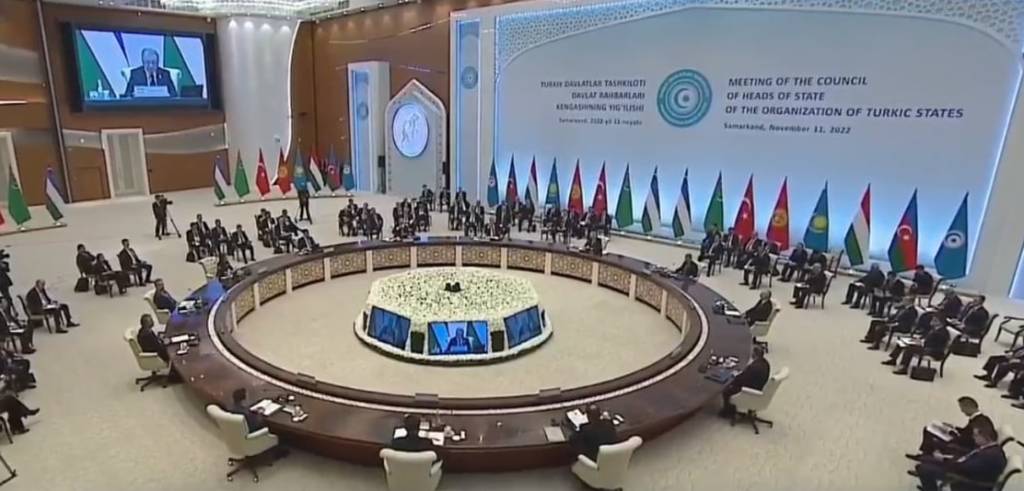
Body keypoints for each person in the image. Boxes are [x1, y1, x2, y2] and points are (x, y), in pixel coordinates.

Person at [914, 424, 1006, 491]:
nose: (973, 437)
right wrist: (946, 458)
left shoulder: (989, 456)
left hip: (966, 480)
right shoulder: (991, 449)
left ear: (985, 437)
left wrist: (944, 459)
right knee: (926, 459)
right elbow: (968, 462)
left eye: (976, 435)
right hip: (963, 469)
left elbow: (964, 467)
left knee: (923, 468)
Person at [909, 397, 994, 459]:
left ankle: (925, 456)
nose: (962, 411)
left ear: (968, 407)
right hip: (963, 440)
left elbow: (968, 438)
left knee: (929, 430)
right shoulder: (981, 419)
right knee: (933, 429)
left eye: (962, 408)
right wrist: (954, 427)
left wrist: (951, 433)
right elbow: (967, 432)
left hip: (962, 445)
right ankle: (926, 455)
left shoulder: (977, 422)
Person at [884, 319, 951, 375]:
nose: (931, 321)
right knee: (902, 342)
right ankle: (893, 360)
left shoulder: (943, 333)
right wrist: (918, 339)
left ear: (940, 323)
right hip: (925, 346)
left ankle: (904, 368)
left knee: (910, 348)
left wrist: (921, 343)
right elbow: (924, 336)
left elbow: (936, 345)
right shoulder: (933, 328)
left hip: (934, 352)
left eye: (934, 320)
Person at [720, 346, 770, 417]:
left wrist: (735, 377)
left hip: (750, 389)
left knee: (726, 390)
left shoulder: (753, 367)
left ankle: (728, 412)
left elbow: (742, 380)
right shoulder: (765, 363)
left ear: (754, 354)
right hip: (759, 385)